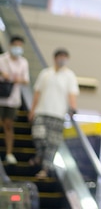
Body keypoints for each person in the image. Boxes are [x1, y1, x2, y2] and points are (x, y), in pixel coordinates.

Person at [28, 48, 79, 178]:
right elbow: (37, 92)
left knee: (52, 144)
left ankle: (45, 169)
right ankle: (39, 155)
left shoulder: (70, 75)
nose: (62, 59)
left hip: (58, 114)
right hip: (42, 111)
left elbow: (72, 95)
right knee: (39, 136)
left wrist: (73, 108)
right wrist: (32, 110)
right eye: (60, 56)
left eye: (65, 57)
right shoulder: (46, 73)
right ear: (55, 58)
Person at [0, 35, 30, 164]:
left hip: (13, 98)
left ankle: (9, 153)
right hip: (1, 96)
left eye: (20, 46)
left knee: (9, 125)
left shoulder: (23, 62)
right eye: (16, 45)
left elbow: (26, 80)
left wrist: (17, 79)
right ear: (10, 45)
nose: (18, 48)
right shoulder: (2, 59)